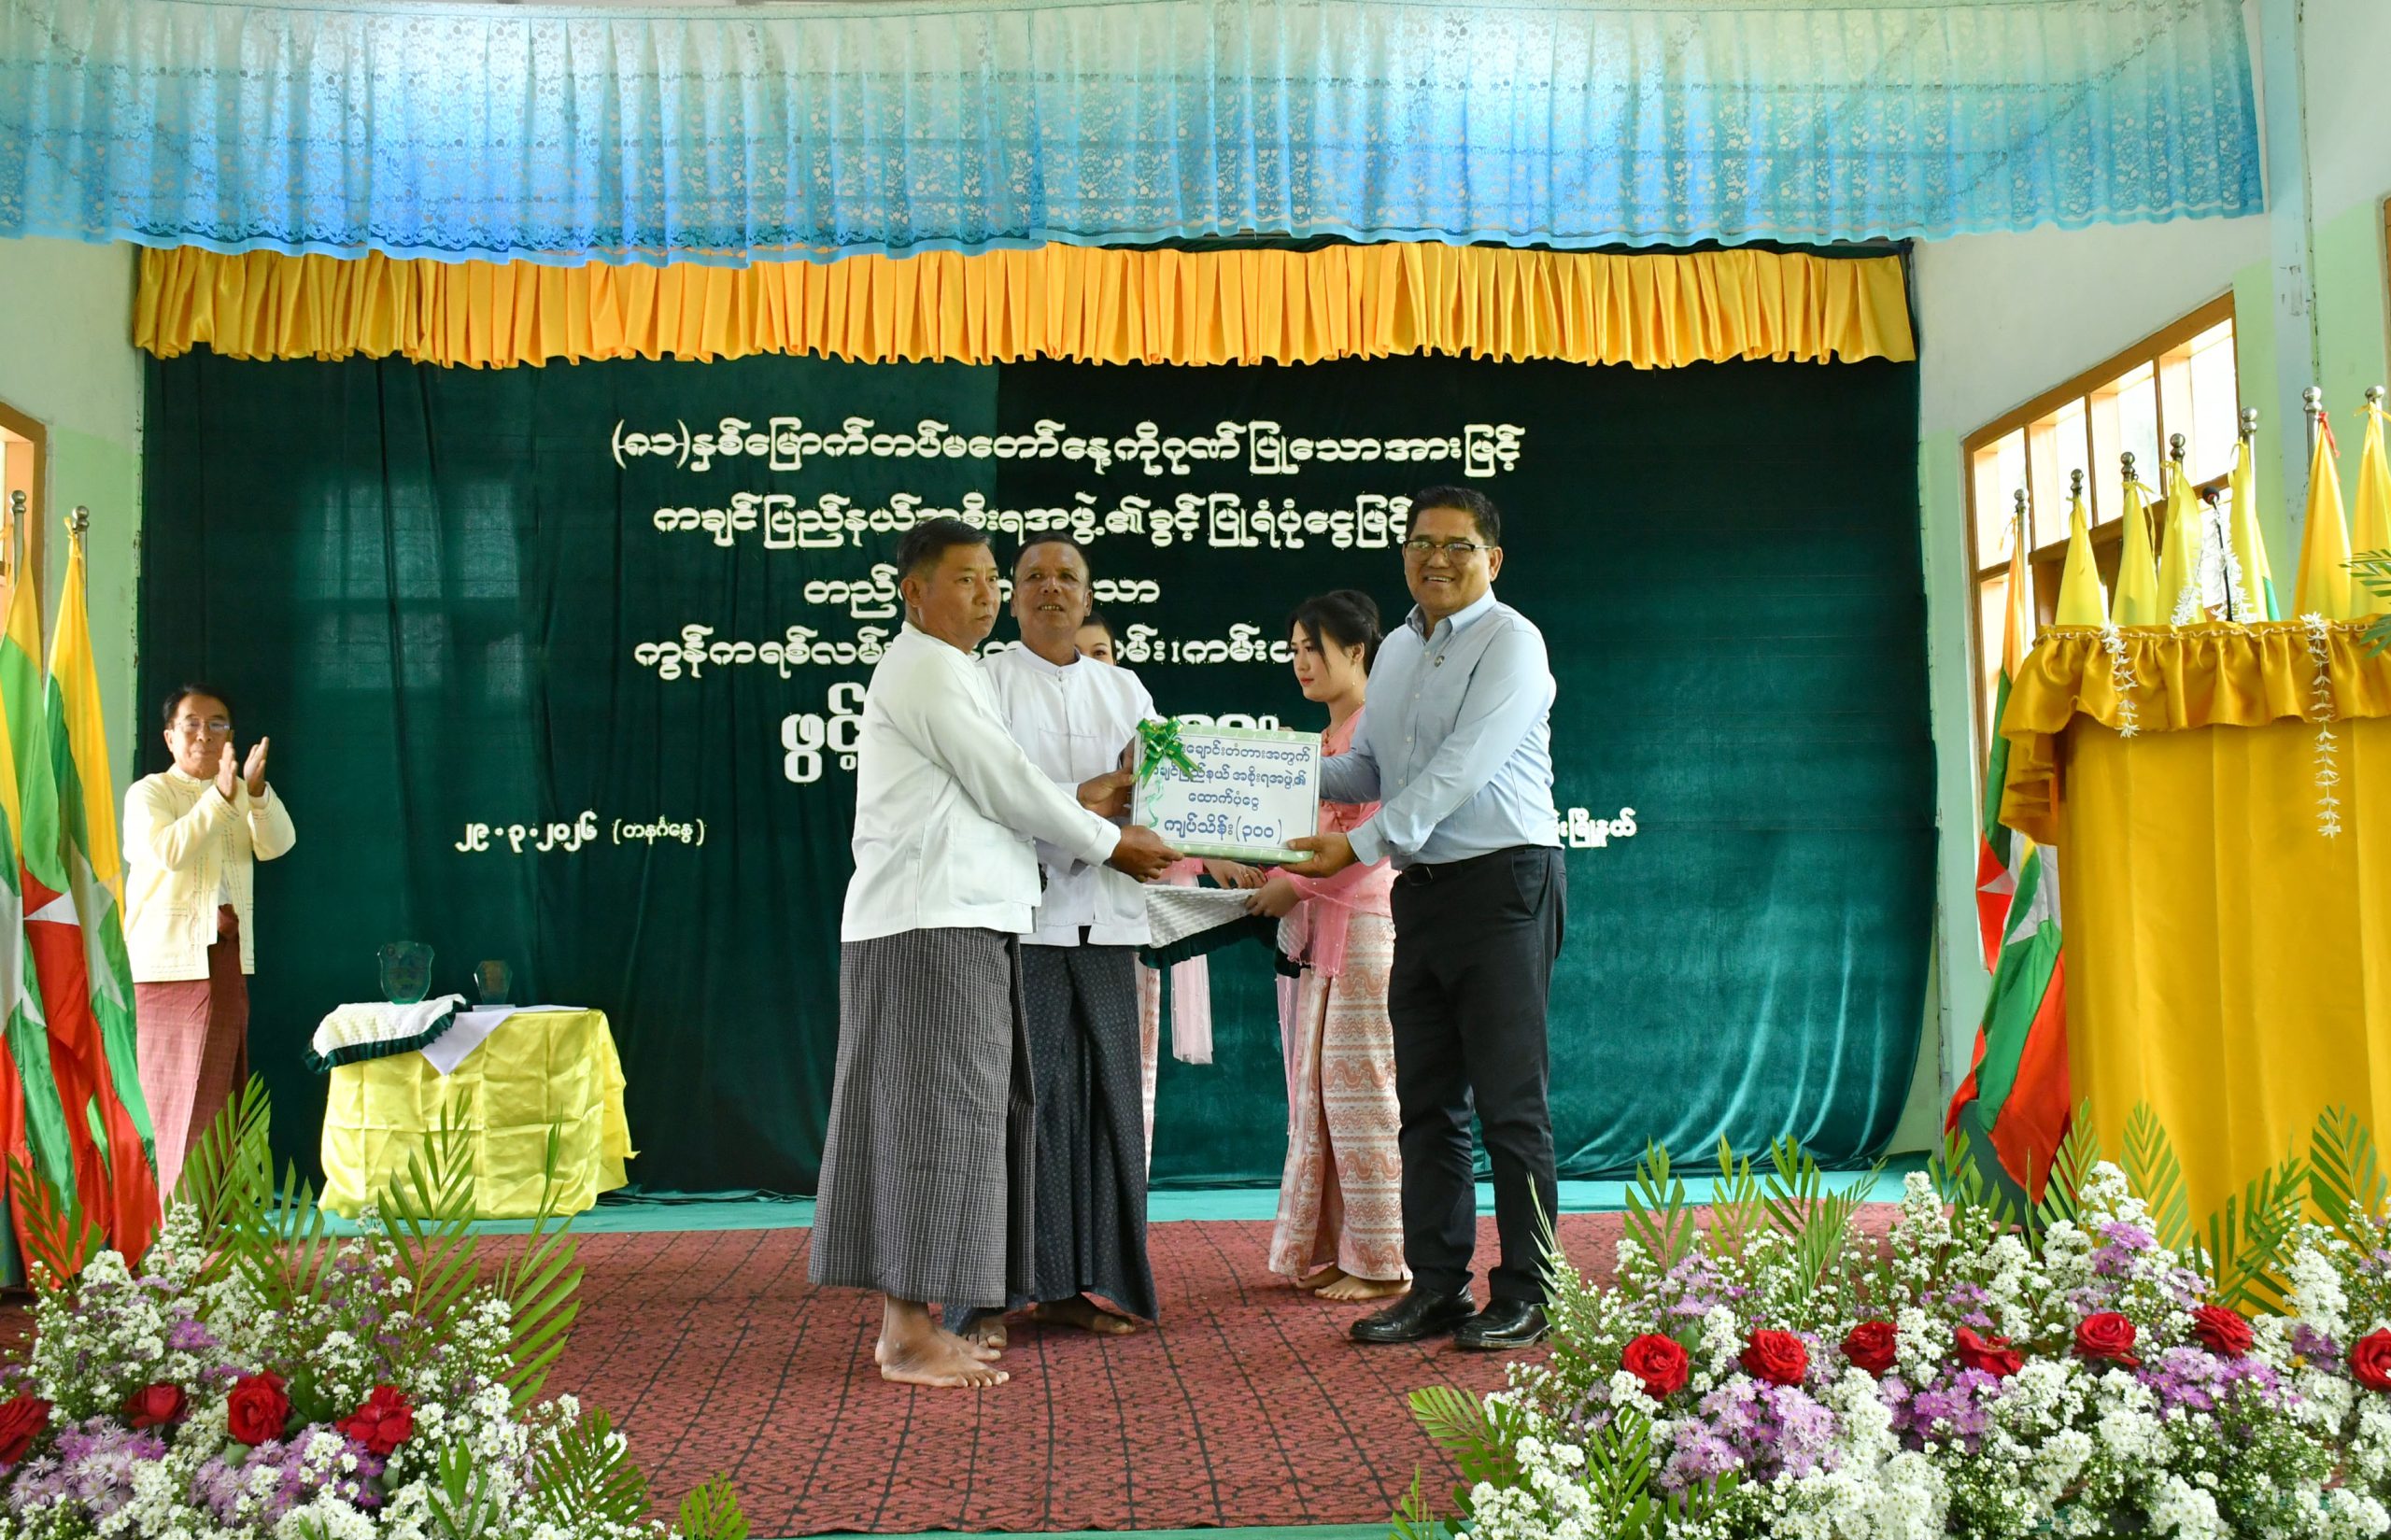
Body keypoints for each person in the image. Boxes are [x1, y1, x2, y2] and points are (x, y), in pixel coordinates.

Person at [809, 517, 1180, 1389]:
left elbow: (1007, 788)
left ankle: (912, 1324)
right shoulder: (933, 669)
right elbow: (1009, 785)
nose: (984, 595)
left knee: (944, 1119)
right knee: (931, 1120)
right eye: (967, 579)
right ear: (915, 592)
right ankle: (908, 1334)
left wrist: (1104, 813)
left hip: (958, 920)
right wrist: (1108, 839)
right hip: (932, 922)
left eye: (987, 578)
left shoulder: (954, 669)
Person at [1283, 487, 1563, 1351]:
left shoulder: (1512, 642)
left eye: (1456, 544)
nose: (1436, 558)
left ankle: (1529, 1291)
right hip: (1424, 889)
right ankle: (1438, 1287)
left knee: (1511, 1105)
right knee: (1427, 1103)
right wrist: (1252, 773)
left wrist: (1358, 844)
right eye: (1420, 543)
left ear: (1493, 558)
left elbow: (1457, 772)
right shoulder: (1400, 648)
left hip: (1505, 883)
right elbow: (1367, 766)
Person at [951, 538, 1163, 1348]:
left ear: (1088, 596)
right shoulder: (986, 682)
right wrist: (1088, 810)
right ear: (1011, 598)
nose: (1051, 589)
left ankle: (1076, 1284)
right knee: (1014, 1108)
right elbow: (989, 801)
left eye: (1066, 577)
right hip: (1023, 922)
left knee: (1100, 1107)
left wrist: (1145, 807)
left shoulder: (1125, 688)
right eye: (1033, 577)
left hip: (1108, 922)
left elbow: (1163, 794)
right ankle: (984, 1298)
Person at [1246, 592, 1408, 1302]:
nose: (1301, 662)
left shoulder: (1377, 728)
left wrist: (1294, 887)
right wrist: (1260, 871)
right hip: (1323, 931)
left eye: (1314, 647)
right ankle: (1347, 1249)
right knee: (1324, 1095)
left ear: (1357, 650)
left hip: (1367, 928)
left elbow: (1374, 840)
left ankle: (1383, 1261)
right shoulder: (1321, 739)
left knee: (1362, 1091)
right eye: (1294, 650)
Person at [123, 685, 297, 1196]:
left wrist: (256, 793)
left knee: (218, 1096)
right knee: (164, 1096)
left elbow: (278, 844)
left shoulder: (238, 791)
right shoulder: (150, 792)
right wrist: (220, 800)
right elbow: (169, 852)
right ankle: (161, 1219)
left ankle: (206, 1218)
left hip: (224, 955)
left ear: (231, 736)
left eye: (217, 724)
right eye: (192, 724)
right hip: (165, 964)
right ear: (169, 737)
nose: (204, 734)